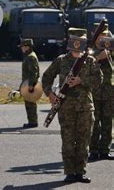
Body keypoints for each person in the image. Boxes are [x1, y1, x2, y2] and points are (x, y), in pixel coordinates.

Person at [41, 28, 102, 183]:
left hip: (86, 108)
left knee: (83, 141)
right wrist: (50, 93)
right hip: (66, 108)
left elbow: (98, 81)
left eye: (81, 41)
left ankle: (80, 172)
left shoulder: (90, 60)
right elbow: (46, 77)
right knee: (68, 141)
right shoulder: (61, 60)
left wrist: (82, 81)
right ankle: (69, 172)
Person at [89, 23, 113, 160]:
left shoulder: (111, 48)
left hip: (109, 91)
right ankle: (93, 150)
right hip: (94, 91)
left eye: (105, 35)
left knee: (107, 121)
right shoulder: (89, 49)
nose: (103, 37)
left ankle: (105, 150)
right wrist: (98, 57)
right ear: (94, 34)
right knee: (94, 122)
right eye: (100, 35)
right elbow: (84, 66)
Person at [20, 38, 40, 128]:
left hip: (30, 84)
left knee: (30, 103)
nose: (22, 49)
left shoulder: (30, 57)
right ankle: (32, 121)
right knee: (29, 102)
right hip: (27, 83)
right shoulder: (29, 56)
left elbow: (33, 72)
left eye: (23, 47)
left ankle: (33, 122)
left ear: (27, 47)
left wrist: (31, 84)